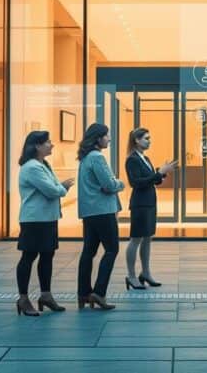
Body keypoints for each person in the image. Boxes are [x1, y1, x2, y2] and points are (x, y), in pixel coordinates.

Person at [14, 130, 75, 316]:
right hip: (34, 220)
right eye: (48, 142)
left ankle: (46, 295)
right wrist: (63, 188)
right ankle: (23, 299)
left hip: (47, 218)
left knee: (47, 256)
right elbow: (52, 190)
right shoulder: (32, 167)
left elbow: (53, 188)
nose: (52, 144)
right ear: (37, 146)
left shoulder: (44, 164)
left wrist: (59, 188)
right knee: (29, 257)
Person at [76, 123, 125, 310]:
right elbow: (110, 185)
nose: (109, 139)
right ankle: (99, 292)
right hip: (103, 211)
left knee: (88, 252)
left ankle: (83, 293)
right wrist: (120, 183)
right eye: (107, 136)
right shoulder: (97, 157)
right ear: (98, 138)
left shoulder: (85, 158)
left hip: (89, 212)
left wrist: (110, 184)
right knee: (112, 250)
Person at [124, 127, 178, 290]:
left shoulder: (145, 158)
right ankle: (132, 276)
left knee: (147, 238)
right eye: (146, 138)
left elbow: (152, 181)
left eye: (150, 138)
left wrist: (162, 174)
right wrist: (158, 173)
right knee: (136, 239)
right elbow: (136, 182)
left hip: (149, 202)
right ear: (136, 140)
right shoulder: (132, 159)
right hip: (140, 204)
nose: (149, 141)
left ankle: (146, 273)